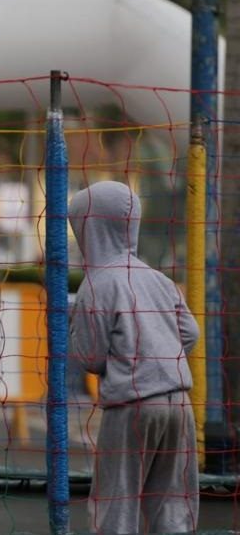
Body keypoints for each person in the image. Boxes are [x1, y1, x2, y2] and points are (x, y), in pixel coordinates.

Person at [68, 180, 199, 534]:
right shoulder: (157, 279)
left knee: (117, 501)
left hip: (132, 406)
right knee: (172, 499)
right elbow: (191, 332)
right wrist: (161, 355)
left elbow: (92, 357)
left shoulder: (98, 283)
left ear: (88, 228)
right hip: (178, 402)